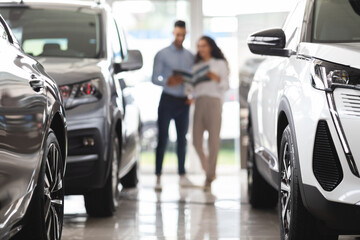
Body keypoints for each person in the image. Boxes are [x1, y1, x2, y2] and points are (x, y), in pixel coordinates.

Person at [152, 20, 194, 191]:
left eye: (183, 35)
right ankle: (158, 177)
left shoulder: (190, 56)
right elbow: (155, 78)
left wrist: (192, 94)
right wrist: (167, 81)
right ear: (173, 33)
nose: (180, 38)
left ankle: (182, 175)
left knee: (182, 140)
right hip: (167, 99)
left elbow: (194, 79)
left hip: (183, 101)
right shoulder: (162, 54)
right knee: (163, 138)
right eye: (178, 34)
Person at [191, 36, 229, 191]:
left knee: (213, 141)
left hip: (214, 102)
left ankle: (209, 177)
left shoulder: (220, 64)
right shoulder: (196, 66)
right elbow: (192, 88)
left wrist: (216, 78)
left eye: (204, 45)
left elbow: (226, 85)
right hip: (199, 102)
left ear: (211, 47)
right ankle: (209, 170)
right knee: (196, 141)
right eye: (199, 46)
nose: (201, 49)